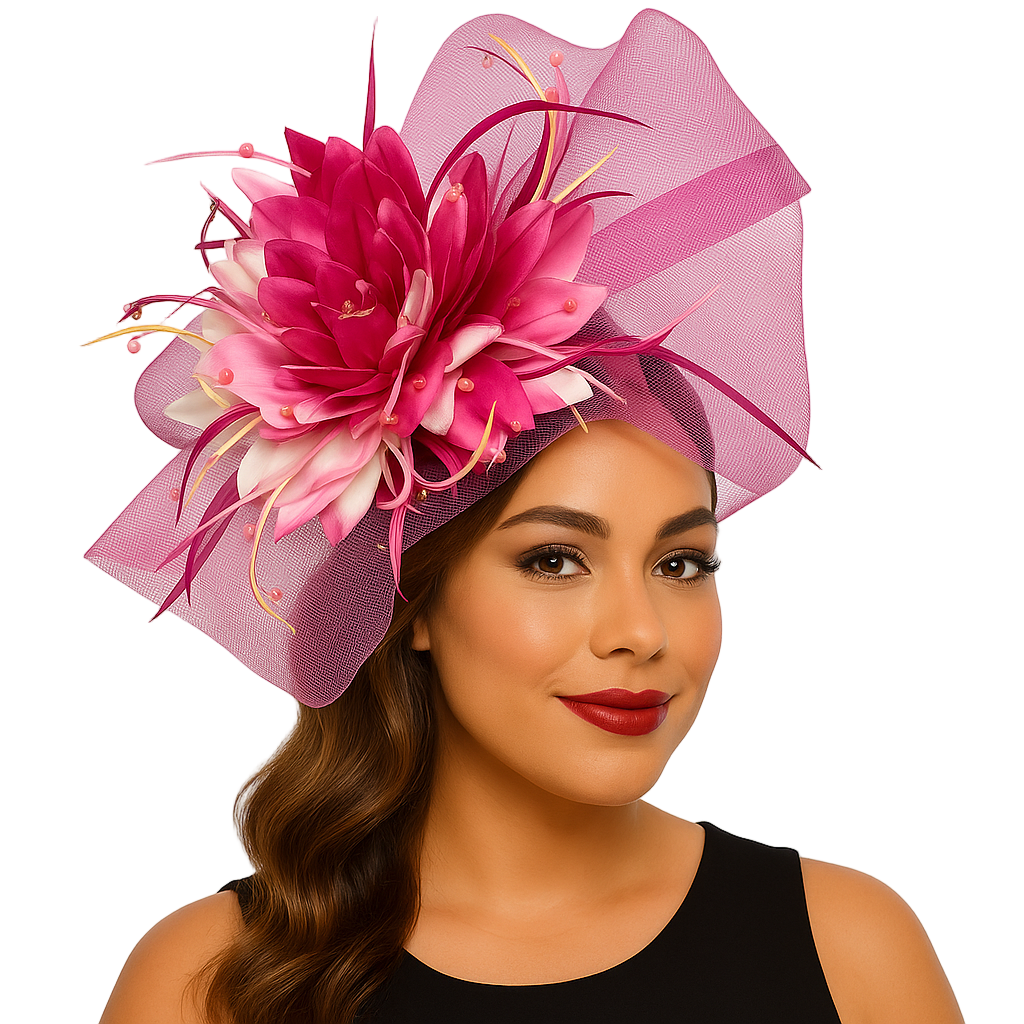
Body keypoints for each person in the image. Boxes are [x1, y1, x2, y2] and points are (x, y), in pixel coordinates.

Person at [89, 11, 965, 1023]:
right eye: (555, 560)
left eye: (682, 563)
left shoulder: (850, 955)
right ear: (407, 589)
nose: (642, 632)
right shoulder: (210, 984)